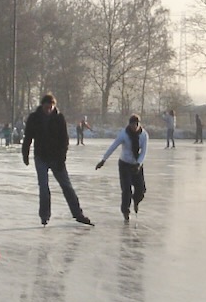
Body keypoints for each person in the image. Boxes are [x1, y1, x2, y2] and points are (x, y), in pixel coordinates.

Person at [22, 93, 93, 226]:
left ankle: (78, 214)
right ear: (42, 106)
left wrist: (62, 158)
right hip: (41, 157)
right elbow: (28, 137)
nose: (49, 110)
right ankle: (44, 216)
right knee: (43, 187)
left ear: (54, 106)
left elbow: (64, 140)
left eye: (51, 107)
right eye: (46, 107)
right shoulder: (34, 118)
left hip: (56, 158)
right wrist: (25, 154)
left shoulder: (59, 118)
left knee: (66, 186)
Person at [96, 114, 148, 221]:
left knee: (141, 190)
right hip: (124, 165)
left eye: (137, 124)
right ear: (129, 124)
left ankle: (136, 201)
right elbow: (113, 146)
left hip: (137, 164)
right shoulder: (124, 134)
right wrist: (103, 160)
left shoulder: (144, 135)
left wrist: (138, 164)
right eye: (133, 124)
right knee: (126, 190)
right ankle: (125, 211)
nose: (135, 126)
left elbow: (144, 152)